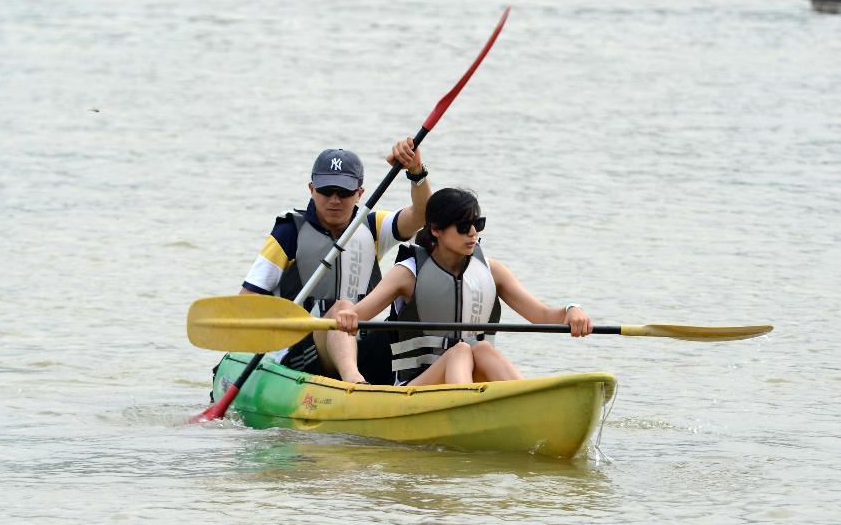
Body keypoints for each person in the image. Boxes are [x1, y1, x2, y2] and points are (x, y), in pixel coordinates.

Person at [332, 187, 593, 386]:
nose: (472, 233)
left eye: (477, 224)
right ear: (436, 230)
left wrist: (572, 310)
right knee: (460, 351)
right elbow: (357, 316)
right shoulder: (407, 274)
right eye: (463, 226)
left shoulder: (493, 272)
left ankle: (531, 402)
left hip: (469, 382)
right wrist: (347, 317)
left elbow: (543, 316)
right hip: (415, 389)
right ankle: (466, 408)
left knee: (482, 349)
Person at [239, 137, 431, 384]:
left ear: (360, 193)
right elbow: (247, 300)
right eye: (326, 191)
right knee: (342, 309)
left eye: (344, 192)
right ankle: (355, 386)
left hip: (357, 346)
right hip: (299, 353)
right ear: (311, 189)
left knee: (403, 323)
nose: (334, 200)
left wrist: (416, 171)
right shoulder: (289, 232)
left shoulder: (372, 227)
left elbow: (422, 215)